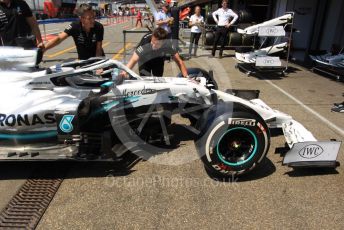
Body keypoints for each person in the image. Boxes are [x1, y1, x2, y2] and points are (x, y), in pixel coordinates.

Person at [124, 27, 188, 78]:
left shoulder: (167, 44)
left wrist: (186, 76)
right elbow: (133, 59)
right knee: (145, 81)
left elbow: (179, 61)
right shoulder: (145, 41)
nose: (154, 46)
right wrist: (124, 73)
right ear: (152, 37)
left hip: (158, 60)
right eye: (153, 42)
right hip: (144, 60)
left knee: (158, 79)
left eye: (157, 44)